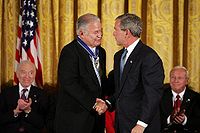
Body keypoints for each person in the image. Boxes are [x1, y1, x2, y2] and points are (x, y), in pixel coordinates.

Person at [95, 13, 165, 133]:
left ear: (127, 32)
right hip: (122, 124)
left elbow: (152, 94)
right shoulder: (118, 56)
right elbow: (121, 91)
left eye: (115, 29)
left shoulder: (148, 57)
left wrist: (141, 124)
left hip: (140, 126)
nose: (113, 33)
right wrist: (108, 103)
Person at [54, 13, 107, 133]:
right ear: (81, 33)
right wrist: (93, 103)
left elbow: (100, 82)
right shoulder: (70, 52)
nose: (100, 35)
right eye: (96, 32)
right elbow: (69, 84)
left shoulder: (101, 52)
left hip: (96, 118)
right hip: (74, 120)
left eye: (101, 31)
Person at [0, 60, 48, 133]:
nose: (27, 76)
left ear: (34, 75)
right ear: (17, 74)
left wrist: (28, 111)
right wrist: (15, 112)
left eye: (31, 73)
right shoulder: (6, 93)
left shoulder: (42, 95)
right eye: (23, 72)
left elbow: (43, 123)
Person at [160, 66, 200, 133]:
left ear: (186, 81)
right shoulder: (160, 96)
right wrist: (169, 119)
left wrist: (185, 120)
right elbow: (153, 119)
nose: (176, 81)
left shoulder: (196, 98)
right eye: (173, 77)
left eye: (179, 78)